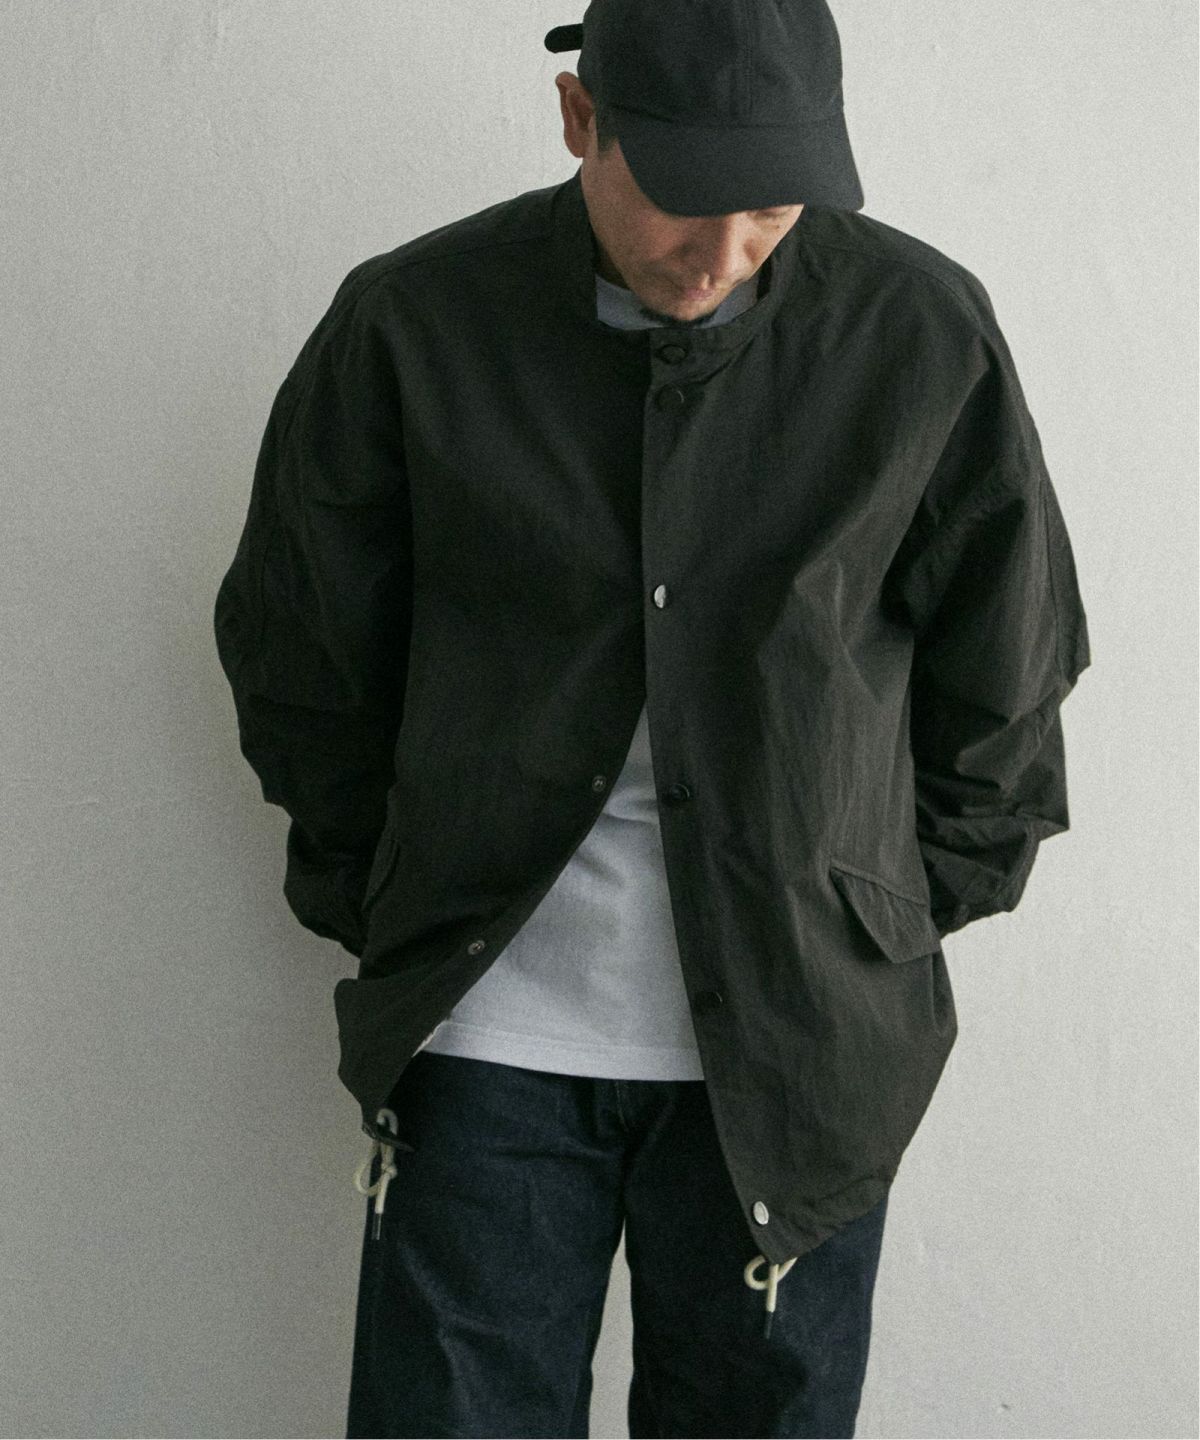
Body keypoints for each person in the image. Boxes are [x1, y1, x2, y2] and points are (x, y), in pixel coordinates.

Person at [212, 0, 1092, 1434]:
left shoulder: (920, 332)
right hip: (486, 1038)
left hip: (801, 1059)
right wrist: (393, 892)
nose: (726, 251)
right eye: (687, 198)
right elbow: (302, 654)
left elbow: (1009, 677)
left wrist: (863, 925)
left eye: (773, 207)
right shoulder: (416, 324)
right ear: (581, 121)